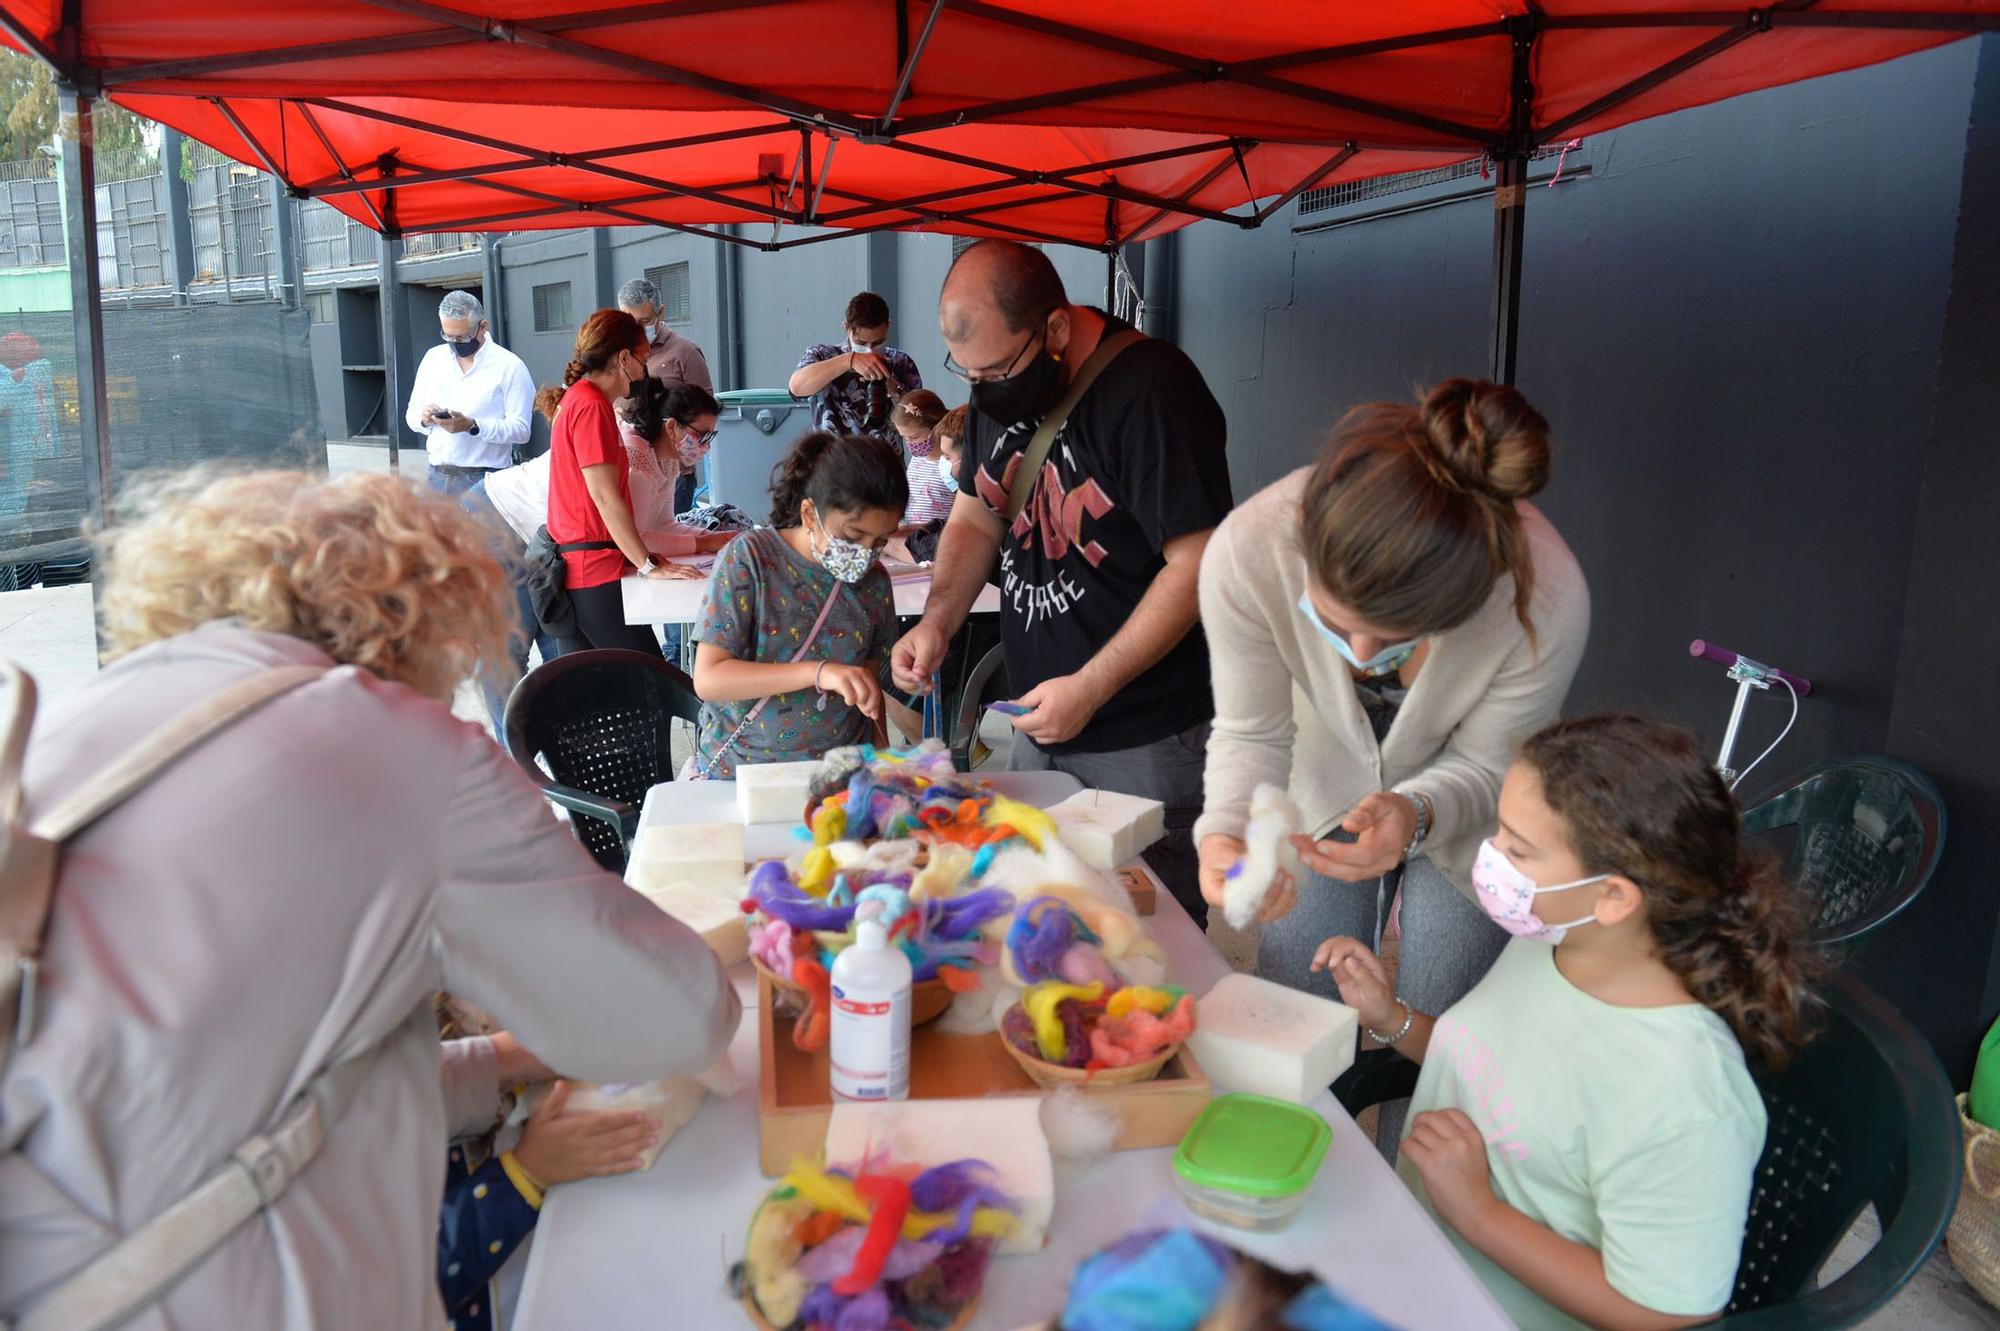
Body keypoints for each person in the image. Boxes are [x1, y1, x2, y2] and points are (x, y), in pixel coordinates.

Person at [0, 468, 740, 1330]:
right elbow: (673, 1018)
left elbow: (250, 1063)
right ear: (425, 616)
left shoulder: (95, 720)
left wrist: (504, 1058)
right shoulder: (393, 745)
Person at [1317, 714, 1819, 1331]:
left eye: (1519, 849)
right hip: (1424, 1269)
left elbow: (1667, 1312)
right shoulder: (1559, 943)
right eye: (1500, 832)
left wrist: (1478, 1212)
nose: (1491, 859)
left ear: (1613, 897)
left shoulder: (1685, 1095)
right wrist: (1390, 1017)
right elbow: (1494, 1070)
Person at [1194, 378, 1590, 1150]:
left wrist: (1418, 811)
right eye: (1341, 628)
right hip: (1314, 778)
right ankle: (1286, 1170)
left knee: (1447, 1027)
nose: (1364, 656)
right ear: (1304, 550)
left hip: (1478, 820)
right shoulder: (1249, 548)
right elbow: (1250, 730)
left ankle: (1422, 1209)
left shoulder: (1546, 601)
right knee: (1294, 1003)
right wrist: (1226, 833)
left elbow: (1489, 764)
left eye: (1401, 636)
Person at [891, 239, 1232, 924]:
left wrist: (1093, 686)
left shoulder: (1151, 393)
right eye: (968, 371)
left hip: (1144, 738)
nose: (982, 389)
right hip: (1041, 727)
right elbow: (974, 516)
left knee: (1148, 944)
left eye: (995, 369)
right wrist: (937, 620)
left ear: (1053, 328)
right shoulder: (998, 384)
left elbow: (1198, 564)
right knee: (1044, 925)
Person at [690, 431, 906, 778]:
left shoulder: (874, 582)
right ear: (809, 514)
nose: (865, 554)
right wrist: (818, 672)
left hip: (839, 775)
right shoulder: (749, 559)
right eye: (852, 536)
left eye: (879, 541)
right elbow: (710, 678)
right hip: (742, 773)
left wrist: (880, 762)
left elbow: (867, 685)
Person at [538, 309, 702, 657]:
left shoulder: (582, 400)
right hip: (590, 570)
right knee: (650, 683)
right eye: (643, 360)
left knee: (605, 691)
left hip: (587, 565)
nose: (645, 371)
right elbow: (603, 495)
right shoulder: (590, 405)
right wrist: (647, 564)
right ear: (624, 358)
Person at [405, 290, 535, 496]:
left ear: (482, 327)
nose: (455, 342)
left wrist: (473, 426)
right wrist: (425, 419)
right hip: (436, 477)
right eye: (448, 335)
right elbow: (411, 416)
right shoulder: (433, 359)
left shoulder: (510, 366)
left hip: (486, 479)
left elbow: (521, 430)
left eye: (462, 337)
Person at [617, 276, 716, 516]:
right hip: (626, 466)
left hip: (674, 472)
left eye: (645, 321)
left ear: (660, 312)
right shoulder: (616, 353)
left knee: (664, 538)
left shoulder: (685, 353)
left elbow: (706, 412)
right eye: (629, 322)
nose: (638, 330)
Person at [787, 291, 923, 439]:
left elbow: (921, 420)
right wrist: (849, 360)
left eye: (878, 343)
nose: (870, 350)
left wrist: (895, 391)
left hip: (885, 458)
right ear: (846, 327)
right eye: (861, 344)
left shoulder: (901, 362)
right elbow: (796, 387)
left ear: (888, 326)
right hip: (834, 458)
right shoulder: (822, 355)